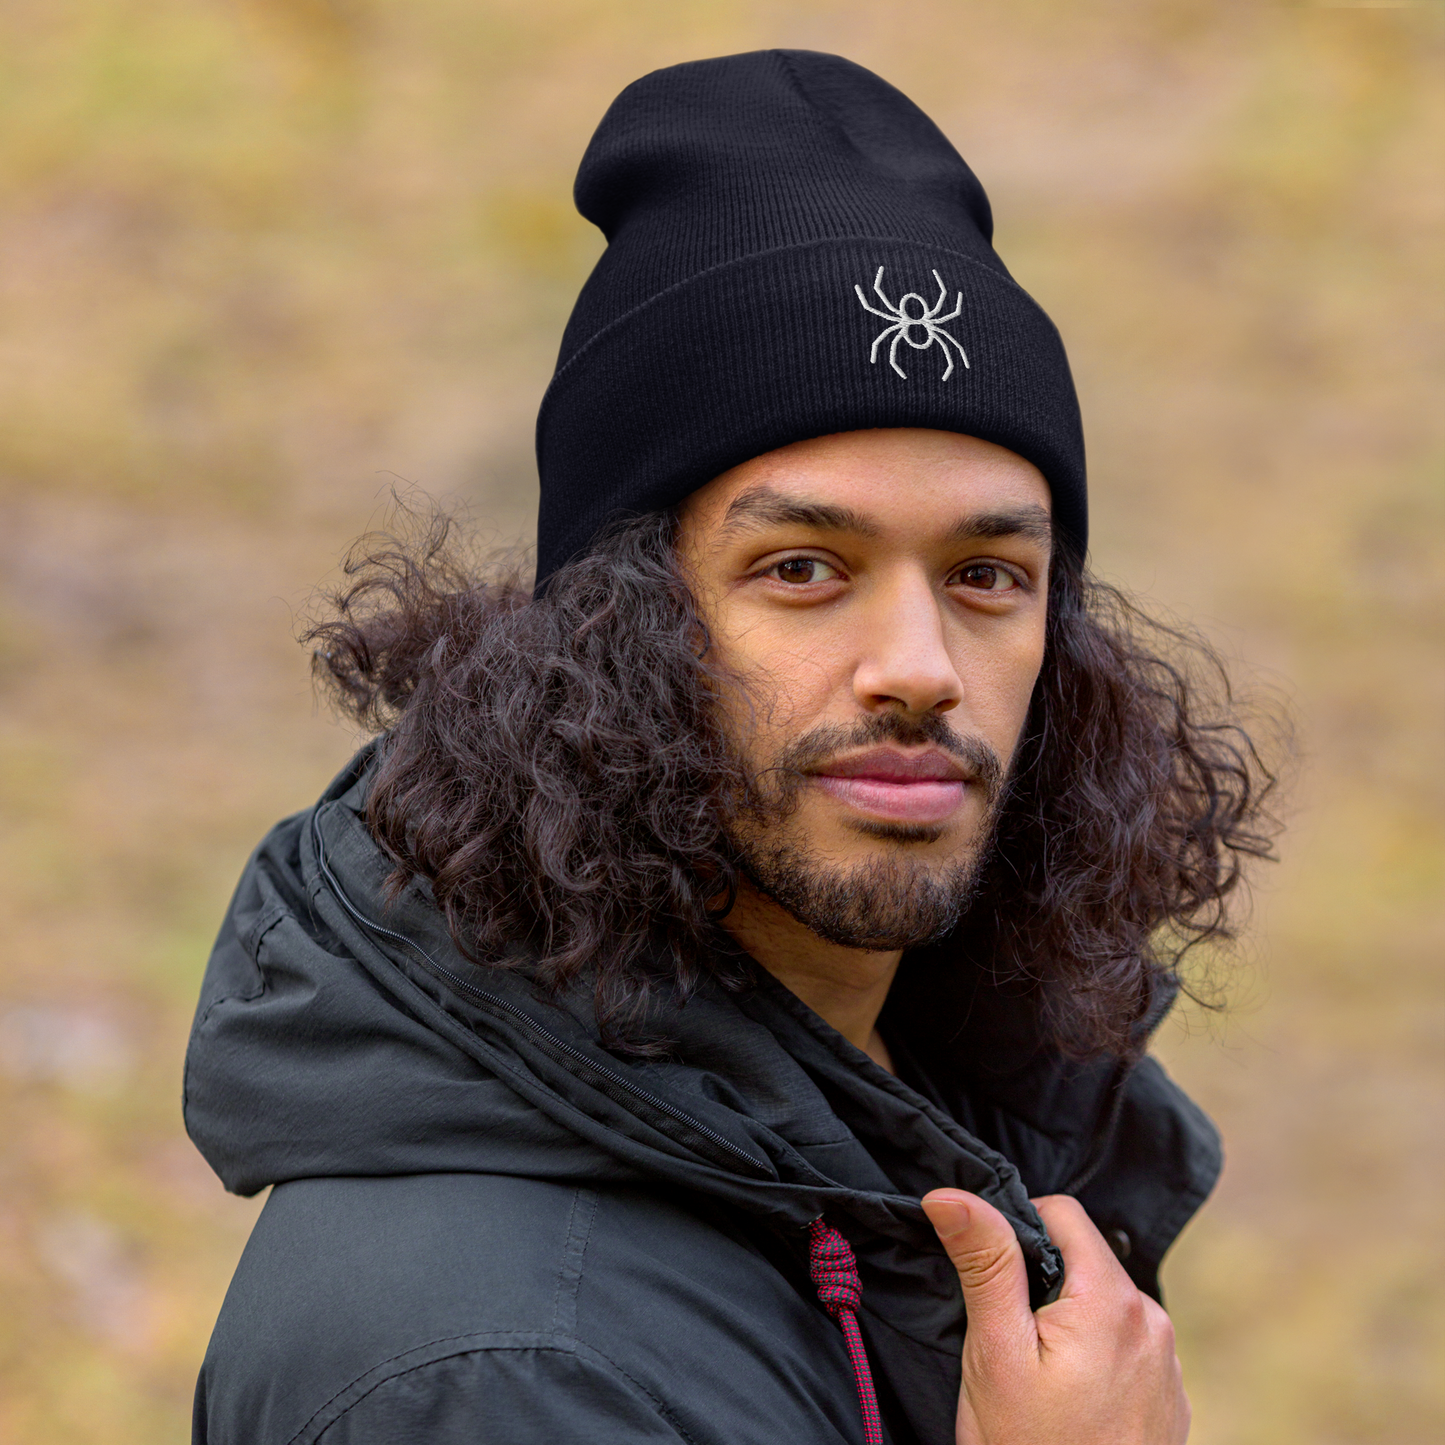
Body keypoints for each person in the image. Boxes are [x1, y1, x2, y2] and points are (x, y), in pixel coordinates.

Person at [186, 50, 1277, 1445]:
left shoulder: (942, 1100)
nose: (921, 668)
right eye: (803, 568)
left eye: (986, 576)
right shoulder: (499, 1371)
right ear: (614, 628)